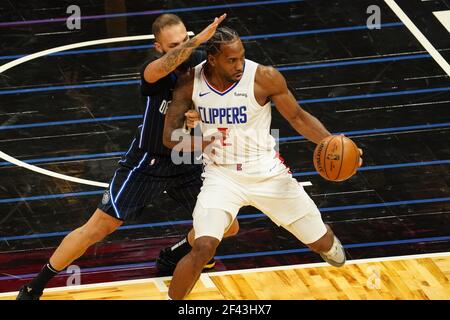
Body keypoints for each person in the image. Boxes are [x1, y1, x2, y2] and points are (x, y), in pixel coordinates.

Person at [16, 13, 239, 300]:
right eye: (174, 45)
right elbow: (166, 68)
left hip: (186, 159)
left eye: (186, 39)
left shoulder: (202, 65)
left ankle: (175, 253)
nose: (184, 47)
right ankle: (37, 283)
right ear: (158, 47)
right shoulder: (153, 71)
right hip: (149, 160)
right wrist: (196, 41)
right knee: (98, 227)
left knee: (228, 225)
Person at [163, 26, 363, 300]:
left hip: (267, 172)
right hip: (221, 177)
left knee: (322, 243)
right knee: (203, 246)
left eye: (242, 57)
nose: (239, 64)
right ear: (212, 59)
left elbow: (298, 117)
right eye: (231, 60)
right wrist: (196, 141)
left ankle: (326, 243)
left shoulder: (264, 78)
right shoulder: (190, 81)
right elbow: (169, 137)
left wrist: (334, 143)